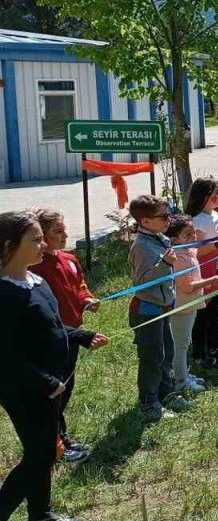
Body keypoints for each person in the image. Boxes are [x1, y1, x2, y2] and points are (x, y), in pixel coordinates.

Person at [0, 211, 108, 521]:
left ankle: (40, 514)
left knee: (46, 451)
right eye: (35, 240)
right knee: (41, 454)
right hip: (25, 388)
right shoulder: (5, 293)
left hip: (49, 385)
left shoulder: (35, 281)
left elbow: (53, 326)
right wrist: (45, 382)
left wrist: (81, 336)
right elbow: (6, 355)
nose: (43, 245)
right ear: (9, 246)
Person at [28, 209, 100, 463]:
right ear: (41, 236)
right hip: (52, 337)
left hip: (74, 333)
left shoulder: (69, 258)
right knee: (55, 388)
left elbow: (78, 285)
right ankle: (56, 440)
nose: (65, 235)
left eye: (64, 229)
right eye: (57, 231)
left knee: (67, 385)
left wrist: (86, 298)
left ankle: (59, 434)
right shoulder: (34, 267)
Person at [127, 194, 191, 421]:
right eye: (163, 216)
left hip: (163, 306)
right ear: (145, 222)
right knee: (152, 358)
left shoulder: (159, 238)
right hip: (147, 309)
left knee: (167, 353)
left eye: (169, 212)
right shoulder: (143, 246)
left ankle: (166, 394)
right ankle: (149, 403)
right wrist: (164, 264)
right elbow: (142, 281)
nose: (169, 219)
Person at [164, 215, 218, 395]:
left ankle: (183, 374)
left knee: (183, 343)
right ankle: (181, 382)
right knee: (180, 346)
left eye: (193, 233)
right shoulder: (179, 258)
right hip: (182, 306)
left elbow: (201, 248)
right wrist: (210, 281)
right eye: (187, 235)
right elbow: (186, 286)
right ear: (174, 239)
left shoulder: (187, 251)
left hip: (190, 304)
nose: (193, 238)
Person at [185, 178, 218, 367]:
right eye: (216, 194)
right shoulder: (196, 221)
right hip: (204, 273)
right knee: (202, 314)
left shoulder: (216, 215)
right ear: (204, 196)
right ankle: (199, 354)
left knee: (216, 310)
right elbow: (196, 251)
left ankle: (214, 347)